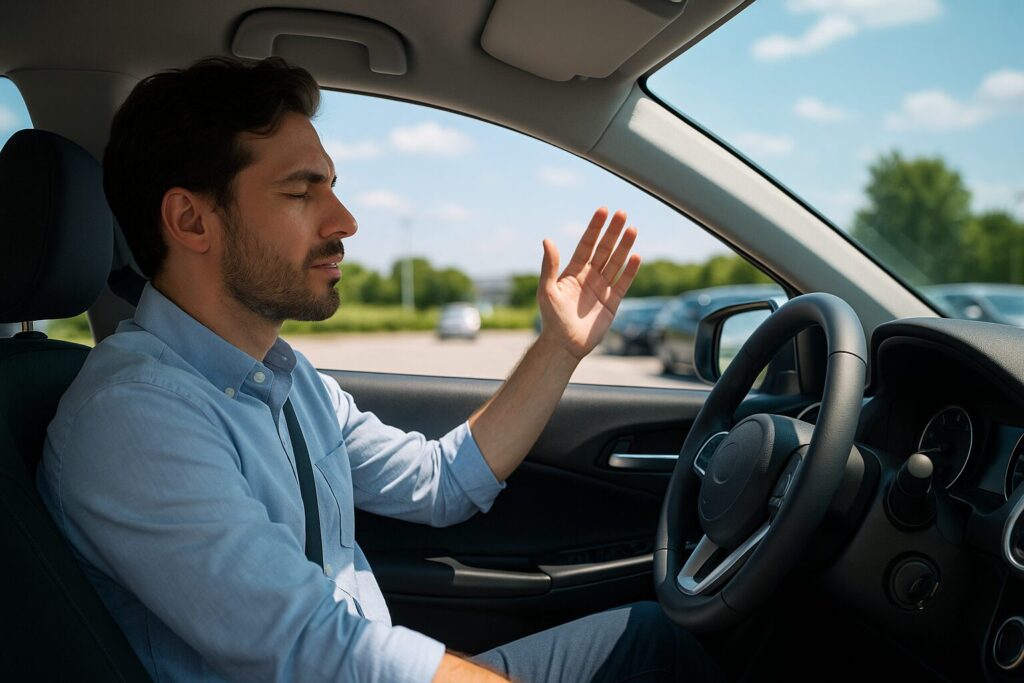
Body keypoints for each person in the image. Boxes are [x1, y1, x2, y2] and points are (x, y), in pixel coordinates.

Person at [38, 57, 724, 683]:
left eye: (333, 186)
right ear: (191, 220)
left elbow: (440, 482)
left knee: (653, 639)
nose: (347, 220)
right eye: (302, 192)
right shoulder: (134, 417)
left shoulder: (287, 379)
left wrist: (560, 346)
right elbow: (318, 650)